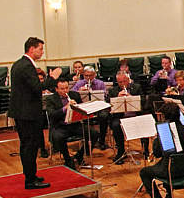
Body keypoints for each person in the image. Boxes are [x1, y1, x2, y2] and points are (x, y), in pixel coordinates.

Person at [9, 37, 62, 189]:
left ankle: (31, 174)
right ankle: (30, 180)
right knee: (30, 146)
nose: (42, 52)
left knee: (28, 145)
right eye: (40, 49)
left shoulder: (19, 64)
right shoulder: (26, 66)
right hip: (27, 113)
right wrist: (53, 77)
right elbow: (37, 88)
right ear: (31, 49)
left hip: (23, 111)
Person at [139, 102, 184, 198]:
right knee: (165, 163)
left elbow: (157, 154)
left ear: (165, 116)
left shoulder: (164, 131)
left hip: (170, 169)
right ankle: (168, 196)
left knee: (144, 172)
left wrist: (156, 139)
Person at [46, 79, 97, 169]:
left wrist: (77, 107)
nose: (65, 91)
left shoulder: (74, 95)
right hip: (60, 126)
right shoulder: (51, 99)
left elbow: (83, 110)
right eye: (62, 89)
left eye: (66, 88)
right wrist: (65, 108)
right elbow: (52, 115)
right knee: (58, 137)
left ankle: (79, 155)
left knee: (94, 133)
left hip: (75, 125)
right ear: (56, 89)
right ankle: (67, 159)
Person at [108, 71, 144, 163]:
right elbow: (108, 105)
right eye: (120, 82)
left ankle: (146, 150)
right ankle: (121, 151)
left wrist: (131, 97)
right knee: (115, 125)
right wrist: (117, 97)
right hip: (121, 116)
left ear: (128, 80)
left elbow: (143, 101)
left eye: (125, 81)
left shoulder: (137, 87)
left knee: (144, 122)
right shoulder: (113, 90)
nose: (123, 84)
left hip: (136, 115)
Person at [71, 65, 110, 149]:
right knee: (81, 117)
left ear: (94, 75)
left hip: (98, 107)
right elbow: (71, 94)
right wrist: (79, 92)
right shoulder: (79, 83)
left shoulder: (100, 83)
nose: (88, 78)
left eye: (90, 75)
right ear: (83, 75)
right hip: (84, 107)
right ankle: (88, 140)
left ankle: (102, 140)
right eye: (86, 76)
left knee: (104, 116)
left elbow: (105, 96)